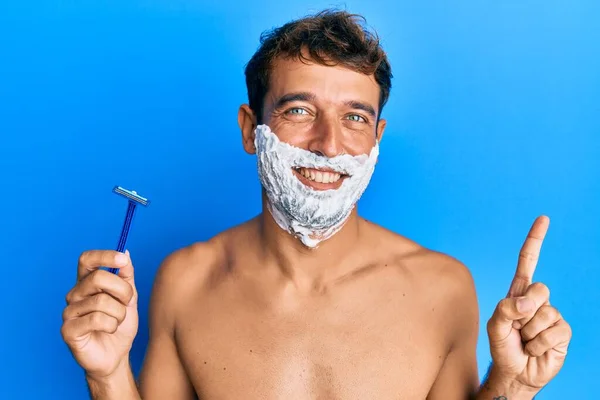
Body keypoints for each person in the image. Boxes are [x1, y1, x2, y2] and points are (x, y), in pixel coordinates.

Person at [61, 9, 572, 399]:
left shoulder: (443, 288)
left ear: (377, 138)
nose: (329, 144)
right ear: (250, 129)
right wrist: (106, 374)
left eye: (355, 118)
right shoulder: (186, 281)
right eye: (300, 110)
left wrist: (513, 385)